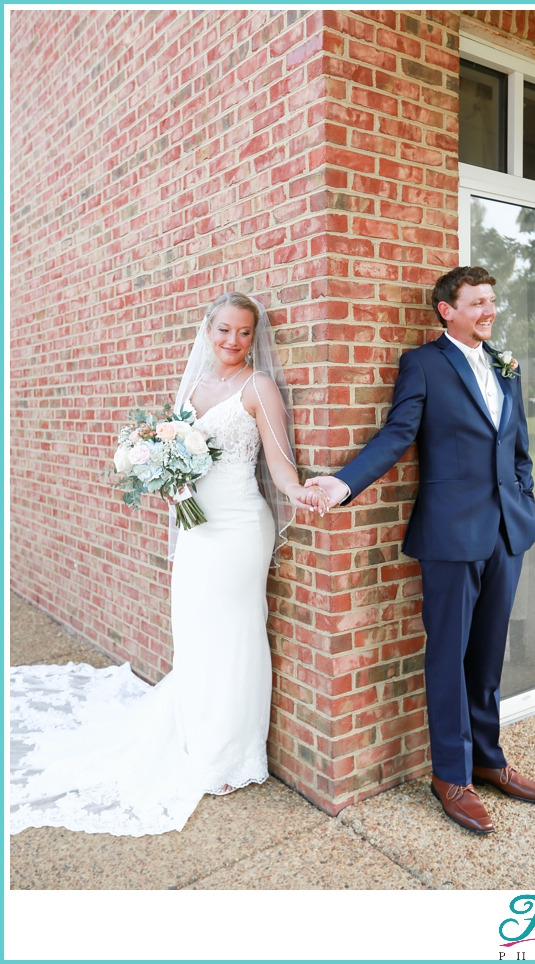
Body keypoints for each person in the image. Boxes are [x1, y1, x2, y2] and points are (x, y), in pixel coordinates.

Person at [9, 292, 328, 836]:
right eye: (224, 330)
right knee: (196, 632)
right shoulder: (194, 388)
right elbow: (175, 453)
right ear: (208, 330)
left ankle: (227, 753)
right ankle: (194, 730)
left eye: (244, 333)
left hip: (237, 529)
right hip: (195, 529)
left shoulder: (259, 388)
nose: (233, 341)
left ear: (255, 337)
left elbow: (278, 463)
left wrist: (301, 491)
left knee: (235, 634)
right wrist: (163, 474)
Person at [306, 265, 535, 835]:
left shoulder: (505, 367)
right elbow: (398, 434)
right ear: (447, 309)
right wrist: (343, 484)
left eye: (492, 301)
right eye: (478, 303)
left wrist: (527, 502)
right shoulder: (423, 364)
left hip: (506, 532)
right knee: (448, 654)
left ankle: (488, 761)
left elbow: (518, 447)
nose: (490, 311)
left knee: (490, 653)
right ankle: (451, 775)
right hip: (449, 534)